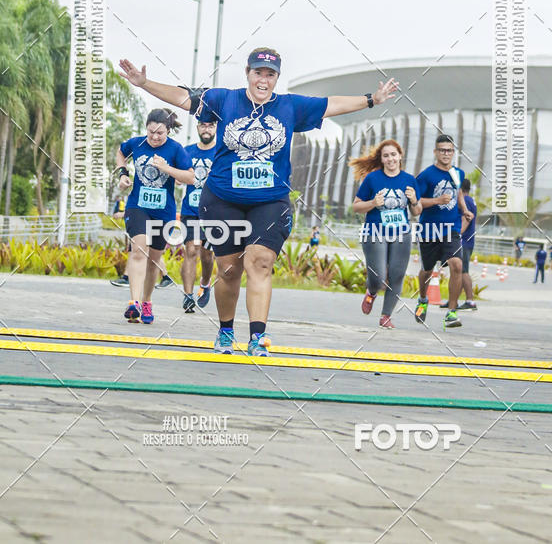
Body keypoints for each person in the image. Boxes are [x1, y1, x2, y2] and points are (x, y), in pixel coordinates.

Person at [119, 50, 398, 356]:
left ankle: (257, 336)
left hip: (269, 201)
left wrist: (372, 99)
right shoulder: (225, 100)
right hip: (222, 199)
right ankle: (226, 330)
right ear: (248, 73)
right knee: (228, 269)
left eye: (270, 75)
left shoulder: (291, 106)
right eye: (258, 73)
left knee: (260, 262)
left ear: (277, 78)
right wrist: (144, 83)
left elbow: (331, 104)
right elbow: (184, 98)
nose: (263, 80)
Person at [117, 108, 194, 324]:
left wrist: (166, 168)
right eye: (151, 132)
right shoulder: (136, 143)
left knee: (154, 259)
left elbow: (190, 177)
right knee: (138, 248)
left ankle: (147, 301)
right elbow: (121, 152)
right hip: (137, 206)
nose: (154, 137)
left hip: (164, 211)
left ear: (168, 131)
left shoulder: (176, 149)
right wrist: (123, 174)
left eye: (160, 133)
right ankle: (134, 303)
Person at [351, 139, 421, 328]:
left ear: (400, 156)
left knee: (397, 275)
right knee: (379, 277)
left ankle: (386, 316)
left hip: (402, 233)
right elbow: (356, 206)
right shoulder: (373, 179)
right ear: (381, 159)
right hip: (375, 231)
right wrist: (373, 203)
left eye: (393, 154)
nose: (390, 159)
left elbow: (417, 211)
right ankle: (372, 292)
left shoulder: (409, 180)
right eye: (386, 155)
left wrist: (414, 200)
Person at [414, 134, 473, 329]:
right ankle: (423, 299)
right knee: (427, 271)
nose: (446, 154)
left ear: (453, 152)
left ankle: (451, 312)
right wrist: (437, 201)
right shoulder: (426, 175)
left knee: (457, 264)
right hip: (429, 229)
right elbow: (415, 201)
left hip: (451, 228)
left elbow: (458, 194)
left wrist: (464, 210)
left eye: (449, 150)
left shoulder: (458, 173)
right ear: (435, 152)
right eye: (442, 150)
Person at [180, 119, 217, 313]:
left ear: (215, 128)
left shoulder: (221, 151)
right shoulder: (187, 151)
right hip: (191, 210)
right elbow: (178, 178)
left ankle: (205, 283)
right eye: (203, 125)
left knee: (207, 253)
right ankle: (188, 296)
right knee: (191, 250)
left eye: (210, 125)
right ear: (197, 128)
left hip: (213, 212)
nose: (206, 129)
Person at [440, 178, 477, 311]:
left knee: (463, 271)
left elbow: (465, 220)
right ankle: (452, 301)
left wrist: (456, 234)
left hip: (463, 240)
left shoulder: (465, 201)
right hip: (467, 240)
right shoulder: (471, 200)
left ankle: (470, 300)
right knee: (457, 270)